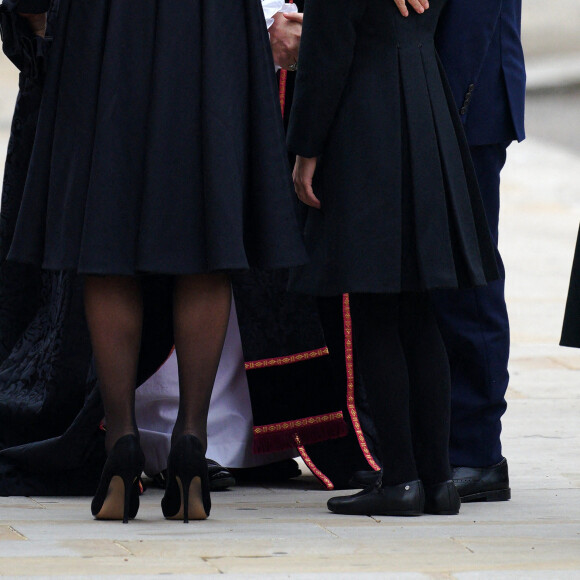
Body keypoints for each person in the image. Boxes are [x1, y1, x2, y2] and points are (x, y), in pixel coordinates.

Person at [5, 0, 307, 523]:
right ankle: (191, 436)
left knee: (106, 237)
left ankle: (121, 442)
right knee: (206, 234)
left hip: (103, 27)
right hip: (213, 27)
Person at [287, 0, 500, 516]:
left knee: (375, 306)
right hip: (425, 103)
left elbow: (328, 46)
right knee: (419, 307)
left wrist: (305, 147)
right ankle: (438, 480)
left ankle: (401, 479)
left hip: (367, 117)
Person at [432, 0, 526, 502]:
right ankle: (435, 442)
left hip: (466, 100)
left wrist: (451, 106)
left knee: (469, 279)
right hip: (430, 96)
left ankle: (478, 452)